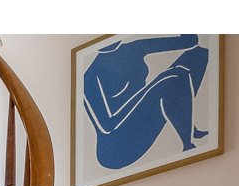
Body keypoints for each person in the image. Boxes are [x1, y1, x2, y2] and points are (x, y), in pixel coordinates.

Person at [82, 35, 210, 170]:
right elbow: (107, 127)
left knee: (199, 53)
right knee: (174, 77)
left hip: (141, 122)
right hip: (117, 148)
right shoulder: (90, 77)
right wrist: (151, 90)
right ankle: (188, 145)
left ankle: (189, 127)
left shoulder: (134, 48)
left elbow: (189, 42)